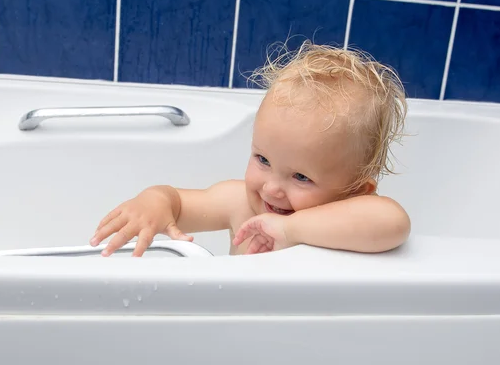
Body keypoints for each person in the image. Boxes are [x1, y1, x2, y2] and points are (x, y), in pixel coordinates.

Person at [89, 41, 411, 257]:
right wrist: (155, 201)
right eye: (263, 159)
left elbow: (394, 222)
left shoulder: (353, 223)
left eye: (300, 176)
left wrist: (290, 229)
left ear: (356, 192)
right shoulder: (240, 204)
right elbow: (177, 203)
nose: (271, 187)